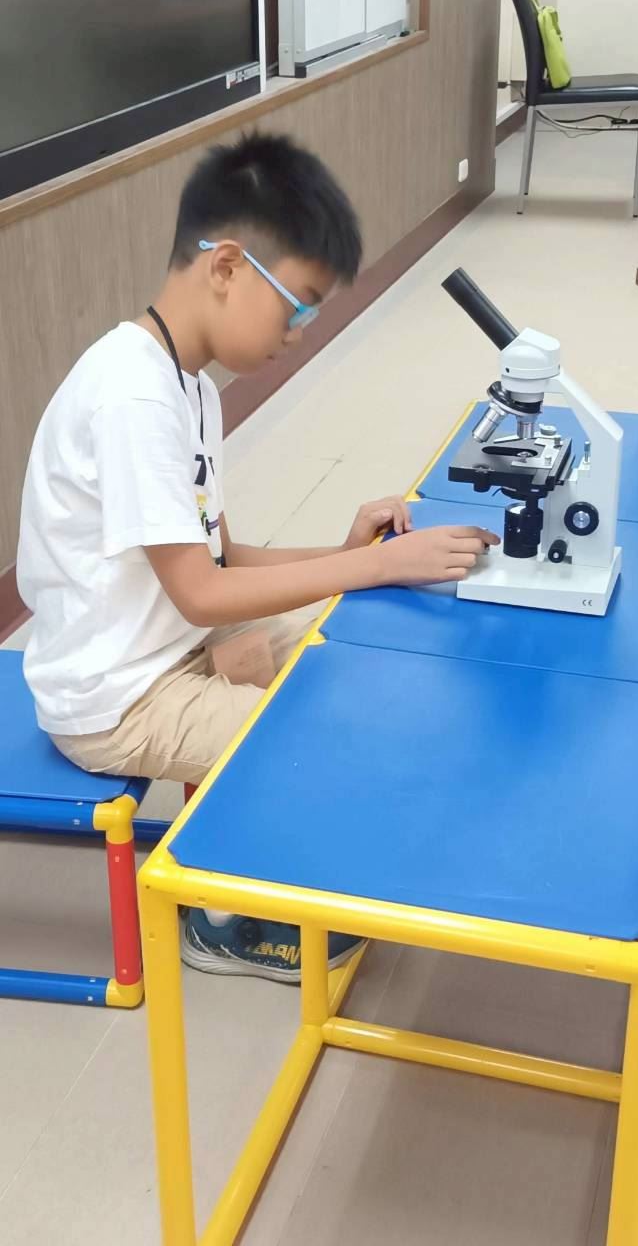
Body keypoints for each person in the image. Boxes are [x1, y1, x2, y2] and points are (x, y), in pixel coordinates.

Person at [17, 132, 498, 981]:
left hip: (174, 647)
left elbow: (224, 552)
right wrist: (380, 565)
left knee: (345, 663)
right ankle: (218, 919)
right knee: (315, 732)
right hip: (117, 699)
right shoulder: (131, 397)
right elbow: (203, 593)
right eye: (297, 307)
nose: (300, 333)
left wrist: (346, 552)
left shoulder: (190, 384)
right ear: (228, 268)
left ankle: (261, 838)